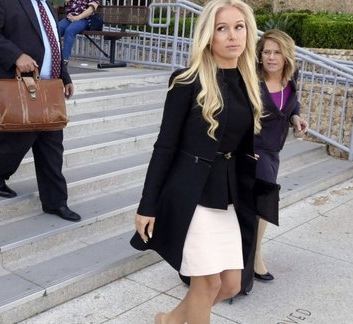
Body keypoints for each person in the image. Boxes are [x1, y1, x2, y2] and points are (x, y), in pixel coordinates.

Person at [129, 0, 263, 322]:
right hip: (192, 192)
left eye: (239, 26)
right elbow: (164, 146)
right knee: (207, 283)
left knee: (231, 285)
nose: (233, 36)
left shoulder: (247, 81)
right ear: (209, 36)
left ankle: (170, 320)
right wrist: (147, 205)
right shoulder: (187, 81)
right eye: (222, 28)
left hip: (227, 194)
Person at [0, 0, 81, 222]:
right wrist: (16, 56)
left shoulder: (47, 6)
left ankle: (56, 202)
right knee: (15, 143)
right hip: (17, 88)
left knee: (53, 147)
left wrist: (65, 76)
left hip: (49, 88)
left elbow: (52, 45)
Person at [253, 29, 309, 281]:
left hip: (273, 151)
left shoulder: (291, 79)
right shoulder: (252, 81)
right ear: (260, 54)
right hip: (252, 151)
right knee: (264, 203)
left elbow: (291, 104)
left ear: (286, 56)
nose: (271, 57)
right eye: (267, 52)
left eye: (277, 52)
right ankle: (254, 259)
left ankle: (249, 256)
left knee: (261, 205)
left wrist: (296, 118)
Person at [58, 0, 100, 65]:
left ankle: (64, 59)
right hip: (69, 18)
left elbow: (91, 10)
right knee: (55, 29)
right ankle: (50, 55)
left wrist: (77, 17)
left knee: (70, 30)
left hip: (83, 19)